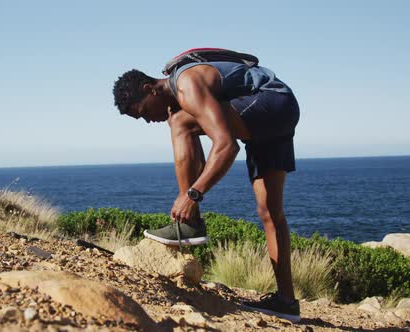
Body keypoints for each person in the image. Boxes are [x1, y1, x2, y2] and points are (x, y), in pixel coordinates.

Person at [112, 55, 301, 323]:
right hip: (280, 112)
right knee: (270, 212)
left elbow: (226, 145)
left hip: (270, 101)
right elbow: (206, 152)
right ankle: (287, 302)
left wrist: (192, 195)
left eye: (142, 112)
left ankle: (190, 223)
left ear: (149, 89)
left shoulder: (187, 84)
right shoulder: (185, 92)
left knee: (179, 122)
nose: (146, 120)